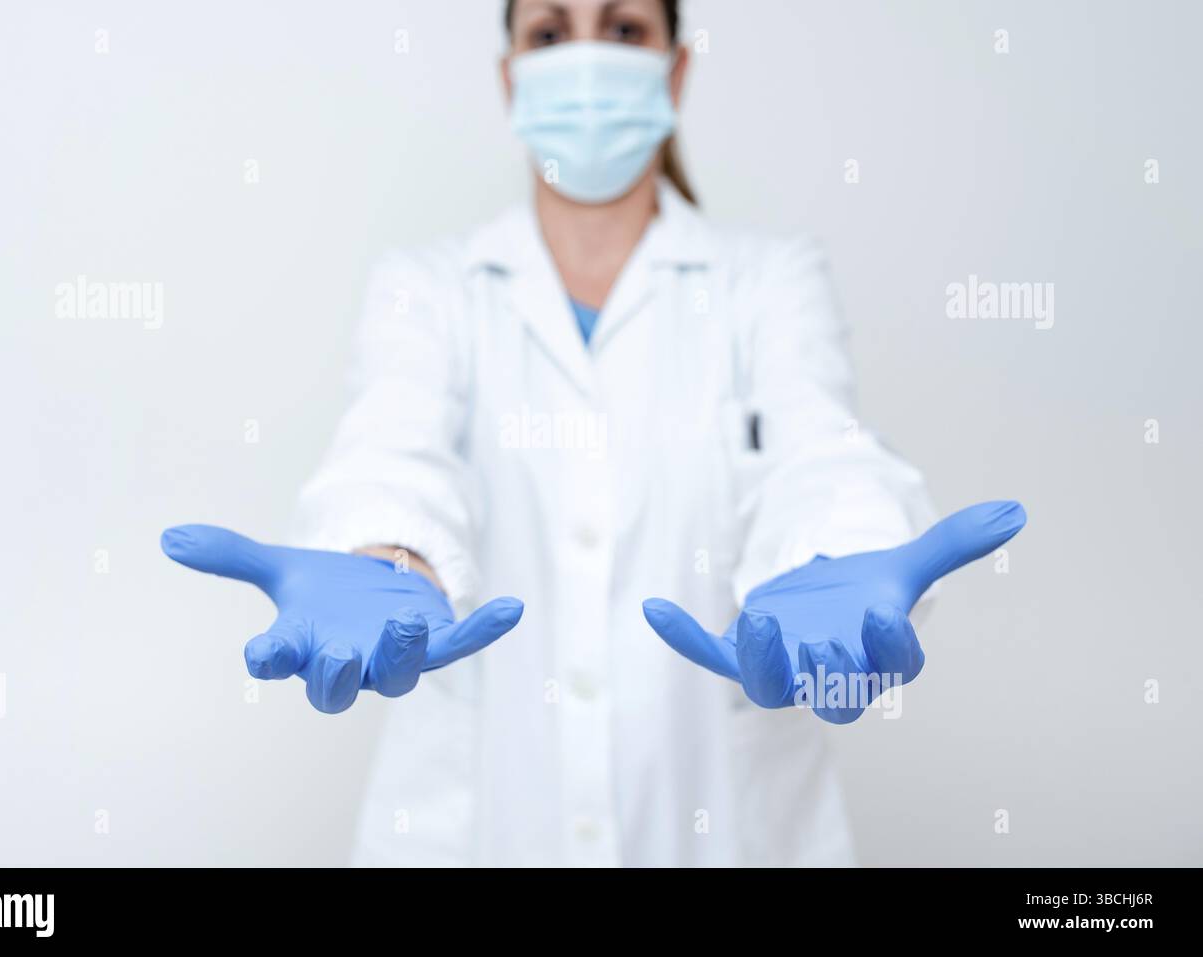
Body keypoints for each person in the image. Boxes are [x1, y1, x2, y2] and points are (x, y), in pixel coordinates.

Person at [160, 0, 1025, 866]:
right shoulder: (429, 290)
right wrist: (388, 558)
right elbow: (394, 448)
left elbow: (818, 450)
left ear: (675, 71)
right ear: (509, 79)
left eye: (621, 30)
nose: (584, 63)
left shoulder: (767, 283)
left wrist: (838, 556)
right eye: (548, 33)